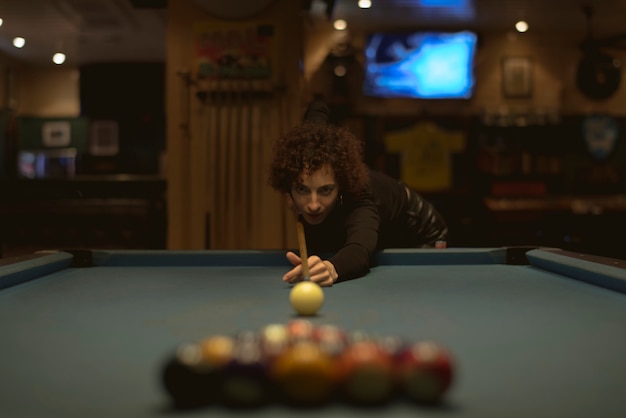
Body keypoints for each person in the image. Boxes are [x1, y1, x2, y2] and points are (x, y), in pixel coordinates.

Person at [268, 101, 448, 286]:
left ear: (340, 186)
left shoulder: (361, 199)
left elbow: (359, 249)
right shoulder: (309, 160)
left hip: (420, 234)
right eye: (302, 189)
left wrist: (332, 268)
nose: (313, 204)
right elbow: (317, 113)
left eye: (325, 190)